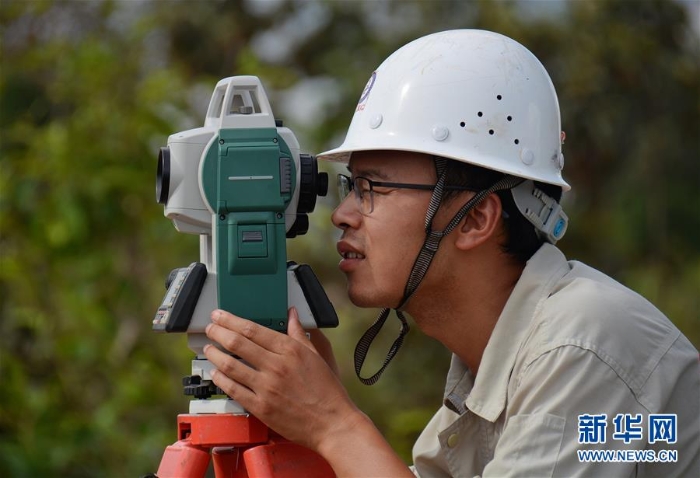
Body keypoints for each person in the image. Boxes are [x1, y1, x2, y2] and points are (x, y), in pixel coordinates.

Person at [203, 30, 700, 477]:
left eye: (373, 187)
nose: (344, 214)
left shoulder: (581, 348)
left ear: (477, 218)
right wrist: (306, 424)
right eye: (351, 185)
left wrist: (333, 425)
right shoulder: (488, 372)